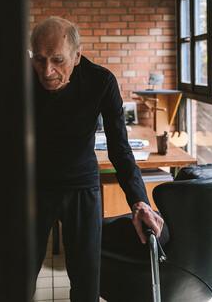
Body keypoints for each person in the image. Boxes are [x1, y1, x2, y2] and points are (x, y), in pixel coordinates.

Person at [30, 16, 163, 301]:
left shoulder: (101, 81)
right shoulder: (21, 80)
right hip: (33, 185)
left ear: (77, 56)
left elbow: (120, 148)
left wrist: (139, 200)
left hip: (82, 186)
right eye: (39, 59)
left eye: (57, 60)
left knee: (86, 283)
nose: (47, 71)